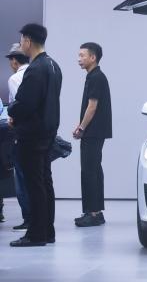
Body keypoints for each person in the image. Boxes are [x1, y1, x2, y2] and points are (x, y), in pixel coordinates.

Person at [7, 24, 62, 247]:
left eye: (21, 40)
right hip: (48, 132)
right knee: (45, 183)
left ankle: (37, 234)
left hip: (32, 134)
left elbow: (25, 103)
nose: (21, 45)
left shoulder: (36, 68)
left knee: (34, 185)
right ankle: (47, 231)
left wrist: (12, 112)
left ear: (28, 41)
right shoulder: (54, 65)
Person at [73, 42, 112, 228]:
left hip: (93, 131)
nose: (79, 59)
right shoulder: (94, 76)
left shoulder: (96, 77)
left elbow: (92, 106)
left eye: (82, 55)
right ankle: (95, 211)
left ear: (93, 57)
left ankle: (94, 213)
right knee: (94, 169)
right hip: (95, 131)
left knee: (90, 171)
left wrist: (81, 128)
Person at [5, 43, 32, 229]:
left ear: (14, 61)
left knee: (21, 177)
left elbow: (19, 105)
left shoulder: (15, 79)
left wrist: (12, 119)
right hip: (39, 131)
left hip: (21, 132)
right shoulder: (36, 72)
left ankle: (28, 219)